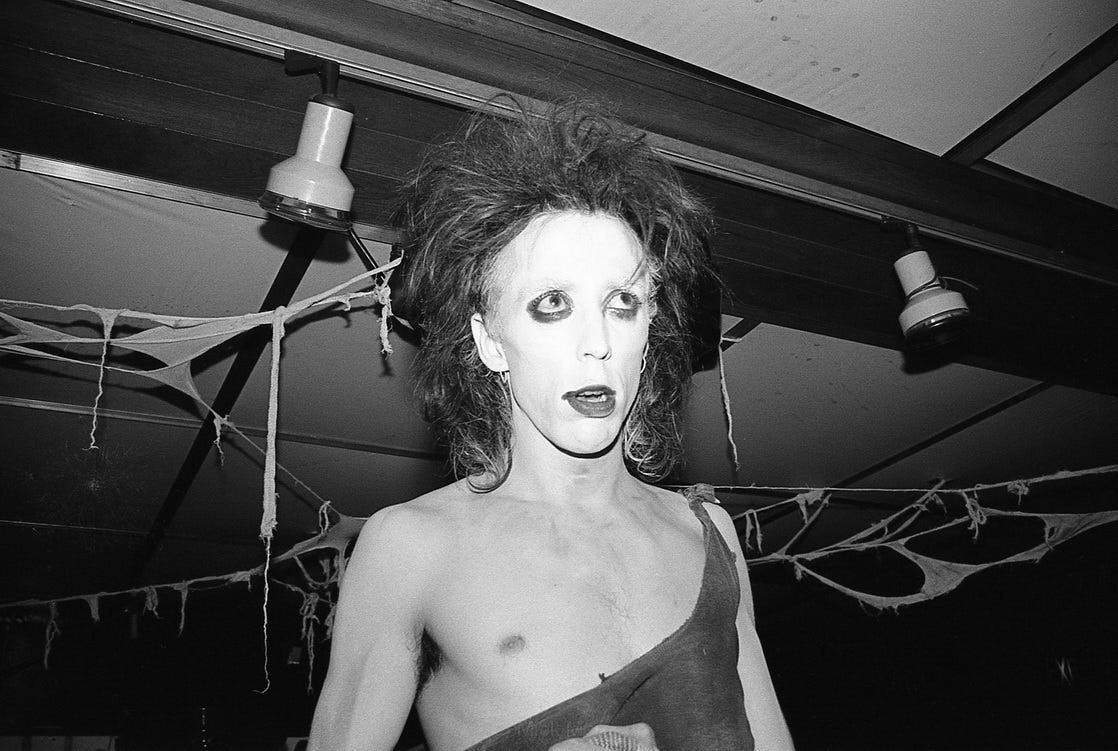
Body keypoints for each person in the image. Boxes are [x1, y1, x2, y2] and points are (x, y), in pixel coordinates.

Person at [308, 100, 793, 751]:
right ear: (489, 340)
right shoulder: (412, 546)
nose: (597, 343)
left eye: (623, 302)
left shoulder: (711, 537)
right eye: (552, 303)